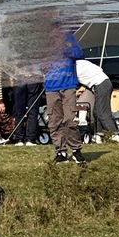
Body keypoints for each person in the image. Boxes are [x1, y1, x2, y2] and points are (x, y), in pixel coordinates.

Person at [43, 26, 85, 165]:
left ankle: (76, 151)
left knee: (70, 119)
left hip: (68, 86)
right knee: (54, 121)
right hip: (51, 87)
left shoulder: (69, 40)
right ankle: (60, 151)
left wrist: (64, 46)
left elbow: (79, 53)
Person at [75, 59, 119, 143]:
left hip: (100, 85)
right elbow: (100, 69)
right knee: (96, 112)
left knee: (102, 112)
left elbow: (73, 82)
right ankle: (98, 135)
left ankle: (115, 135)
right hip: (104, 82)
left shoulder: (72, 68)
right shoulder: (83, 62)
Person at [11, 65, 44, 146]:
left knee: (21, 110)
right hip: (32, 77)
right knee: (31, 109)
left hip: (21, 77)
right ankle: (29, 138)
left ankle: (21, 138)